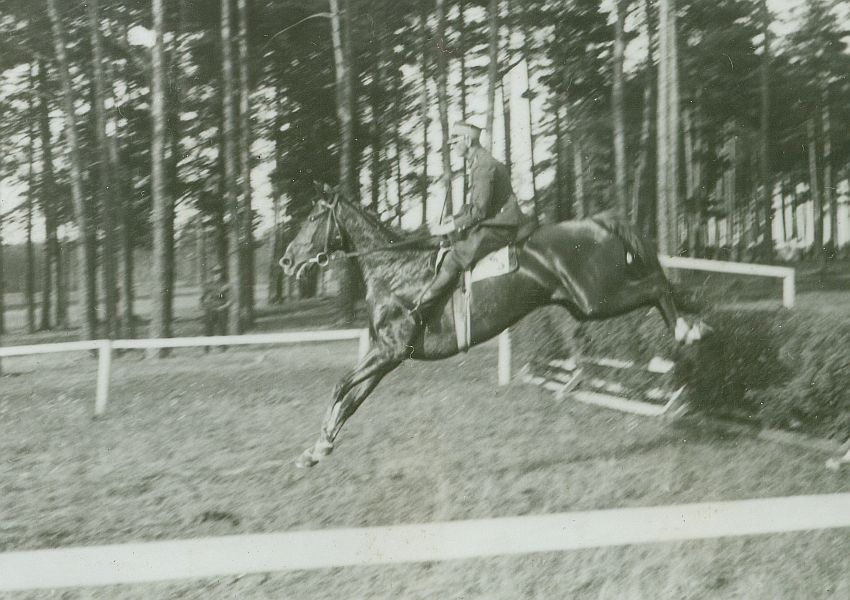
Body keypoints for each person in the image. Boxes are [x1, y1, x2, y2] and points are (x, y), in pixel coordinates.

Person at [412, 121, 524, 318]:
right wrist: (452, 220)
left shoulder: (483, 166)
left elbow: (479, 211)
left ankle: (422, 308)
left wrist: (447, 227)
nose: (453, 146)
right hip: (496, 222)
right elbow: (475, 206)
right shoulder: (479, 163)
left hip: (502, 226)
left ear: (467, 140)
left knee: (456, 255)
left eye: (455, 142)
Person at [200, 265, 230, 351]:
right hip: (210, 309)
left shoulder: (225, 285)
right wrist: (204, 305)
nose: (216, 275)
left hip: (221, 309)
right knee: (208, 329)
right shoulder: (208, 285)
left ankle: (223, 347)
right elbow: (202, 298)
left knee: (222, 328)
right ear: (212, 274)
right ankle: (207, 347)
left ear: (221, 273)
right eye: (214, 273)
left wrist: (223, 305)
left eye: (218, 273)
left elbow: (228, 299)